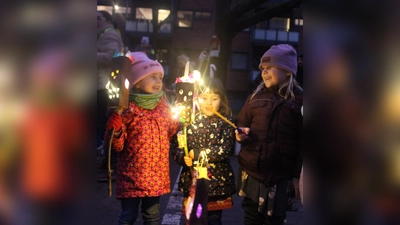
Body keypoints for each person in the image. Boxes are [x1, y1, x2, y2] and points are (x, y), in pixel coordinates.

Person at [103, 52, 179, 225]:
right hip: (131, 175)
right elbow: (117, 146)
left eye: (160, 76)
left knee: (151, 217)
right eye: (152, 76)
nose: (158, 81)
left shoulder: (165, 107)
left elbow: (171, 133)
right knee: (128, 216)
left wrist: (181, 126)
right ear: (136, 81)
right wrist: (115, 131)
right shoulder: (126, 109)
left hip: (156, 176)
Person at [235, 44, 303, 225]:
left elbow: (303, 143)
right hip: (252, 171)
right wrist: (241, 133)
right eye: (262, 68)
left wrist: (296, 176)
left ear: (287, 71)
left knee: (275, 219)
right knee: (251, 217)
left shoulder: (300, 101)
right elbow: (242, 122)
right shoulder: (255, 97)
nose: (264, 72)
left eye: (270, 67)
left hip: (280, 175)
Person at [171, 77, 236, 225]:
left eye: (214, 98)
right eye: (204, 97)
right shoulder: (188, 122)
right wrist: (182, 157)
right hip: (192, 180)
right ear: (196, 99)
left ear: (222, 100)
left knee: (213, 220)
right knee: (193, 218)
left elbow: (226, 149)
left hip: (216, 183)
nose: (209, 103)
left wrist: (200, 153)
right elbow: (177, 146)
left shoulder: (225, 122)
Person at [97, 10, 124, 175]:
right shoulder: (103, 35)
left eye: (98, 18)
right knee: (103, 123)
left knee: (106, 123)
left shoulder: (109, 35)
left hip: (104, 84)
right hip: (102, 83)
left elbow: (110, 56)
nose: (95, 22)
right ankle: (107, 161)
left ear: (107, 20)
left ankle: (109, 162)